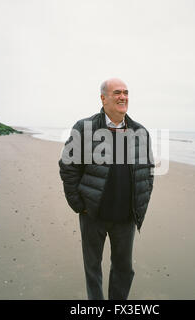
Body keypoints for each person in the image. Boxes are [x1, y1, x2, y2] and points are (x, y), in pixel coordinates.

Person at [58, 78, 154, 300]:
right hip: (92, 214)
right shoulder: (84, 128)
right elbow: (68, 167)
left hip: (126, 217)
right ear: (103, 98)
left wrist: (142, 202)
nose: (123, 97)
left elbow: (148, 171)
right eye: (117, 92)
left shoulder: (140, 132)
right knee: (93, 269)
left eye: (126, 93)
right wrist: (78, 204)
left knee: (123, 269)